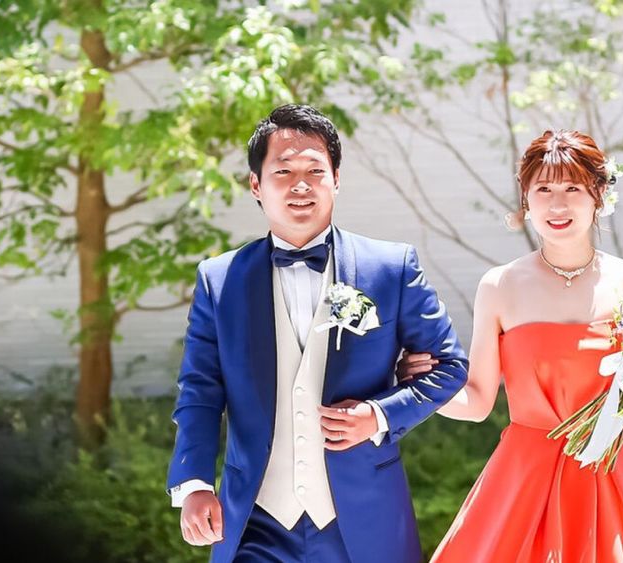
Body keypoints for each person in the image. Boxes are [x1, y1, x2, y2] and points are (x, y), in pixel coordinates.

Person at [397, 130, 623, 562]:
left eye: (573, 189)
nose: (557, 205)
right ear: (526, 199)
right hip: (524, 476)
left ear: (598, 196)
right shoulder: (499, 286)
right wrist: (420, 387)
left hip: (612, 465)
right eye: (544, 190)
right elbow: (476, 402)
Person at [166, 104, 468, 563]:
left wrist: (378, 415)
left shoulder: (390, 267)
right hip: (255, 521)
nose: (300, 184)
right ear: (256, 184)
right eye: (283, 171)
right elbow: (200, 391)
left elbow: (450, 367)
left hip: (363, 517)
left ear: (336, 179)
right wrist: (194, 484)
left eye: (314, 170)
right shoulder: (219, 280)